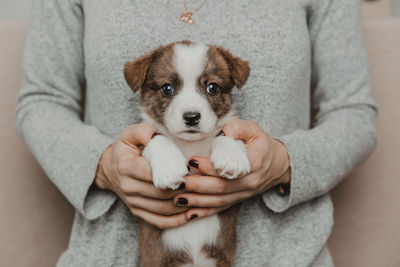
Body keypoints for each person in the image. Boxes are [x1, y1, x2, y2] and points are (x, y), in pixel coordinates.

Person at [15, 0, 377, 266]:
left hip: (285, 257)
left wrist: (284, 162)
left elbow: (354, 112)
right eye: (169, 90)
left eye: (211, 88)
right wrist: (102, 164)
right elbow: (42, 99)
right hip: (112, 257)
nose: (191, 109)